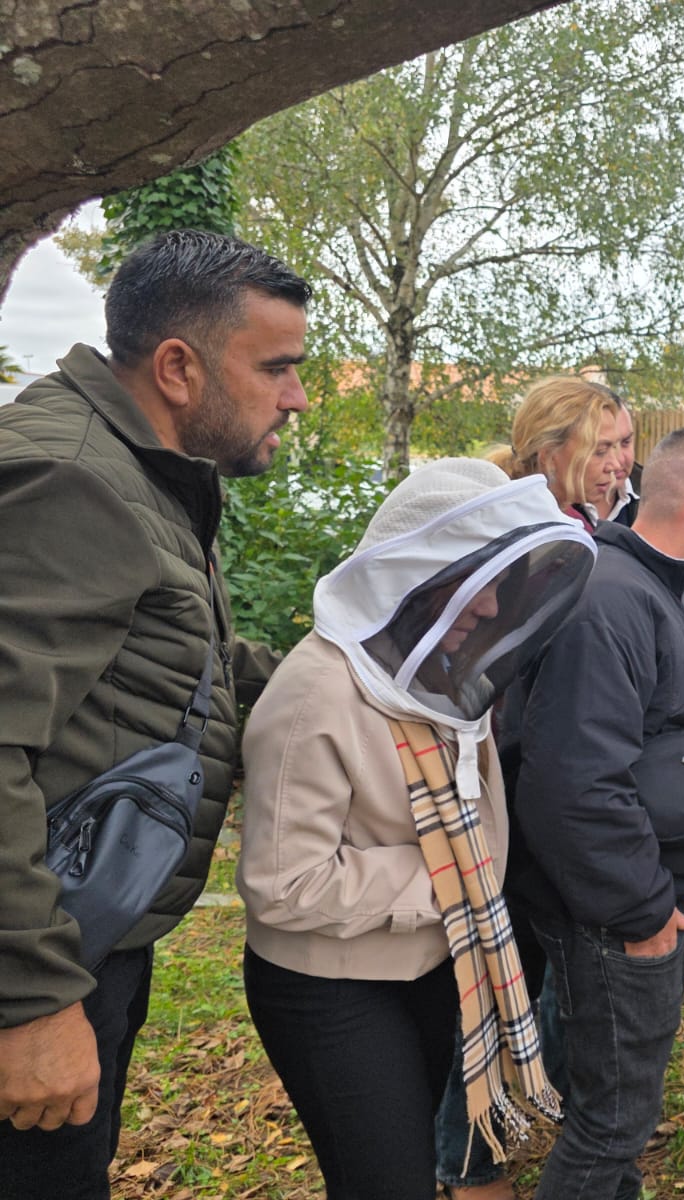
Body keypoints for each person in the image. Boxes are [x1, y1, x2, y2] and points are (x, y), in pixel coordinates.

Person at [0, 230, 303, 1199]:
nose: (295, 396)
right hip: (43, 959)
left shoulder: (141, 468)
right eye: (276, 368)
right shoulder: (71, 478)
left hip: (87, 937)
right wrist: (32, 1003)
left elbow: (181, 664)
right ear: (178, 366)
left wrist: (355, 673)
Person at [238, 459, 593, 1200]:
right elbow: (284, 884)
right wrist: (453, 878)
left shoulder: (437, 673)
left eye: (501, 580)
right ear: (416, 573)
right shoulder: (314, 695)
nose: (493, 606)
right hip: (329, 990)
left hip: (431, 968)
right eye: (475, 580)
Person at [507, 428, 684, 1199]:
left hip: (652, 895)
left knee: (624, 1115)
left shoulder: (664, 585)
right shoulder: (610, 600)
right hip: (625, 916)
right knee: (610, 1122)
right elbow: (572, 784)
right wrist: (645, 912)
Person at [487, 374, 625, 532]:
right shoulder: (507, 528)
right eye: (600, 451)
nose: (615, 464)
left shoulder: (573, 521)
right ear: (548, 456)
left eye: (614, 448)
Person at [606, 394, 641, 525]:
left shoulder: (655, 499)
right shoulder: (553, 507)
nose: (618, 460)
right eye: (604, 448)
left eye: (626, 442)